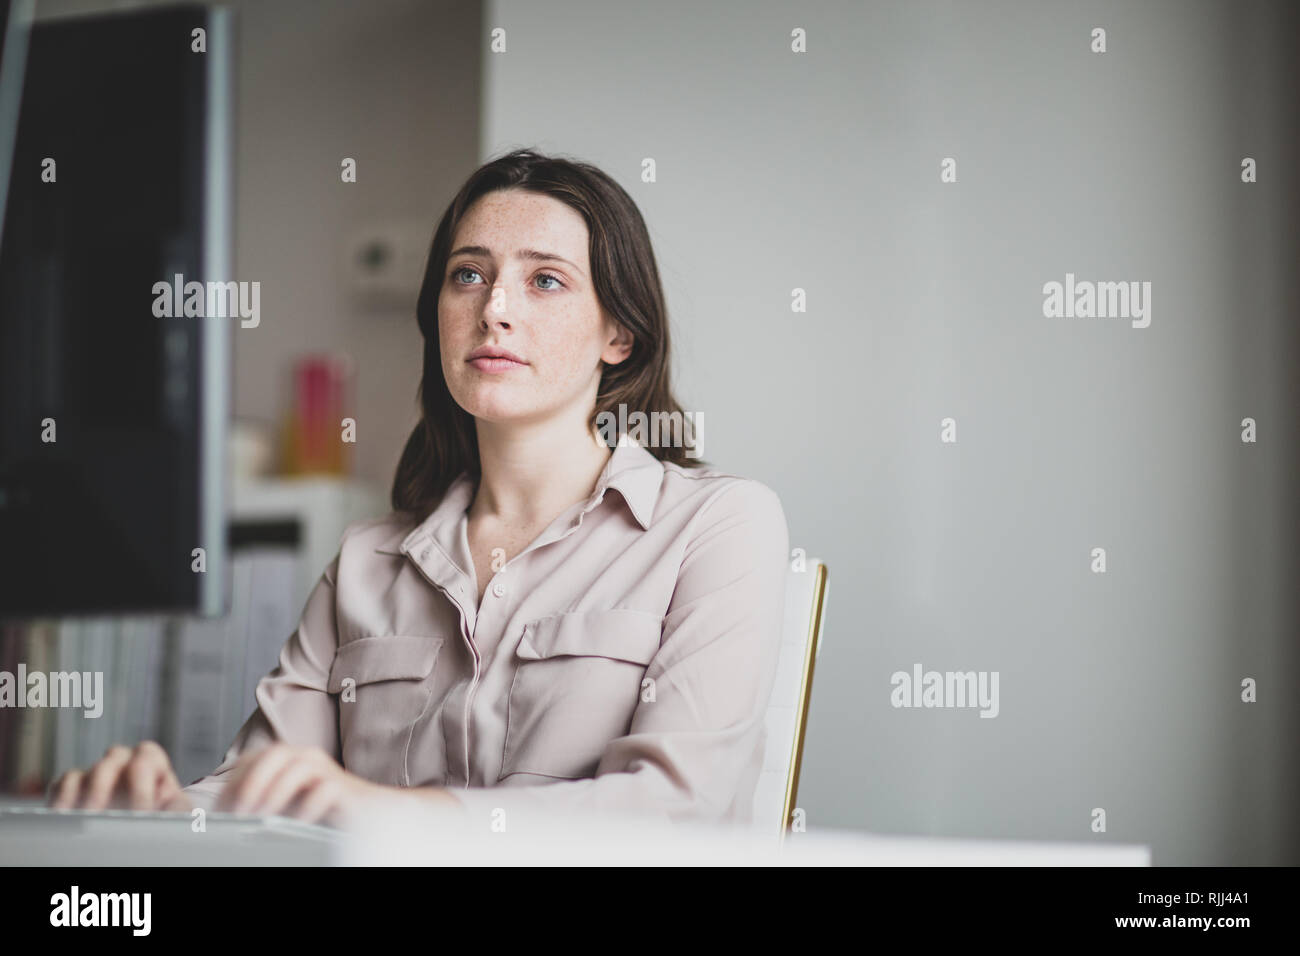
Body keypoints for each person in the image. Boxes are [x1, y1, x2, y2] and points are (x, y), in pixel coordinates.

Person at [47, 148, 790, 828]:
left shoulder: (720, 524)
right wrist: (154, 812)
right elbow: (258, 795)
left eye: (545, 280)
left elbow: (674, 806)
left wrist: (386, 812)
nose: (494, 308)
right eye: (468, 274)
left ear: (618, 336)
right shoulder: (369, 559)